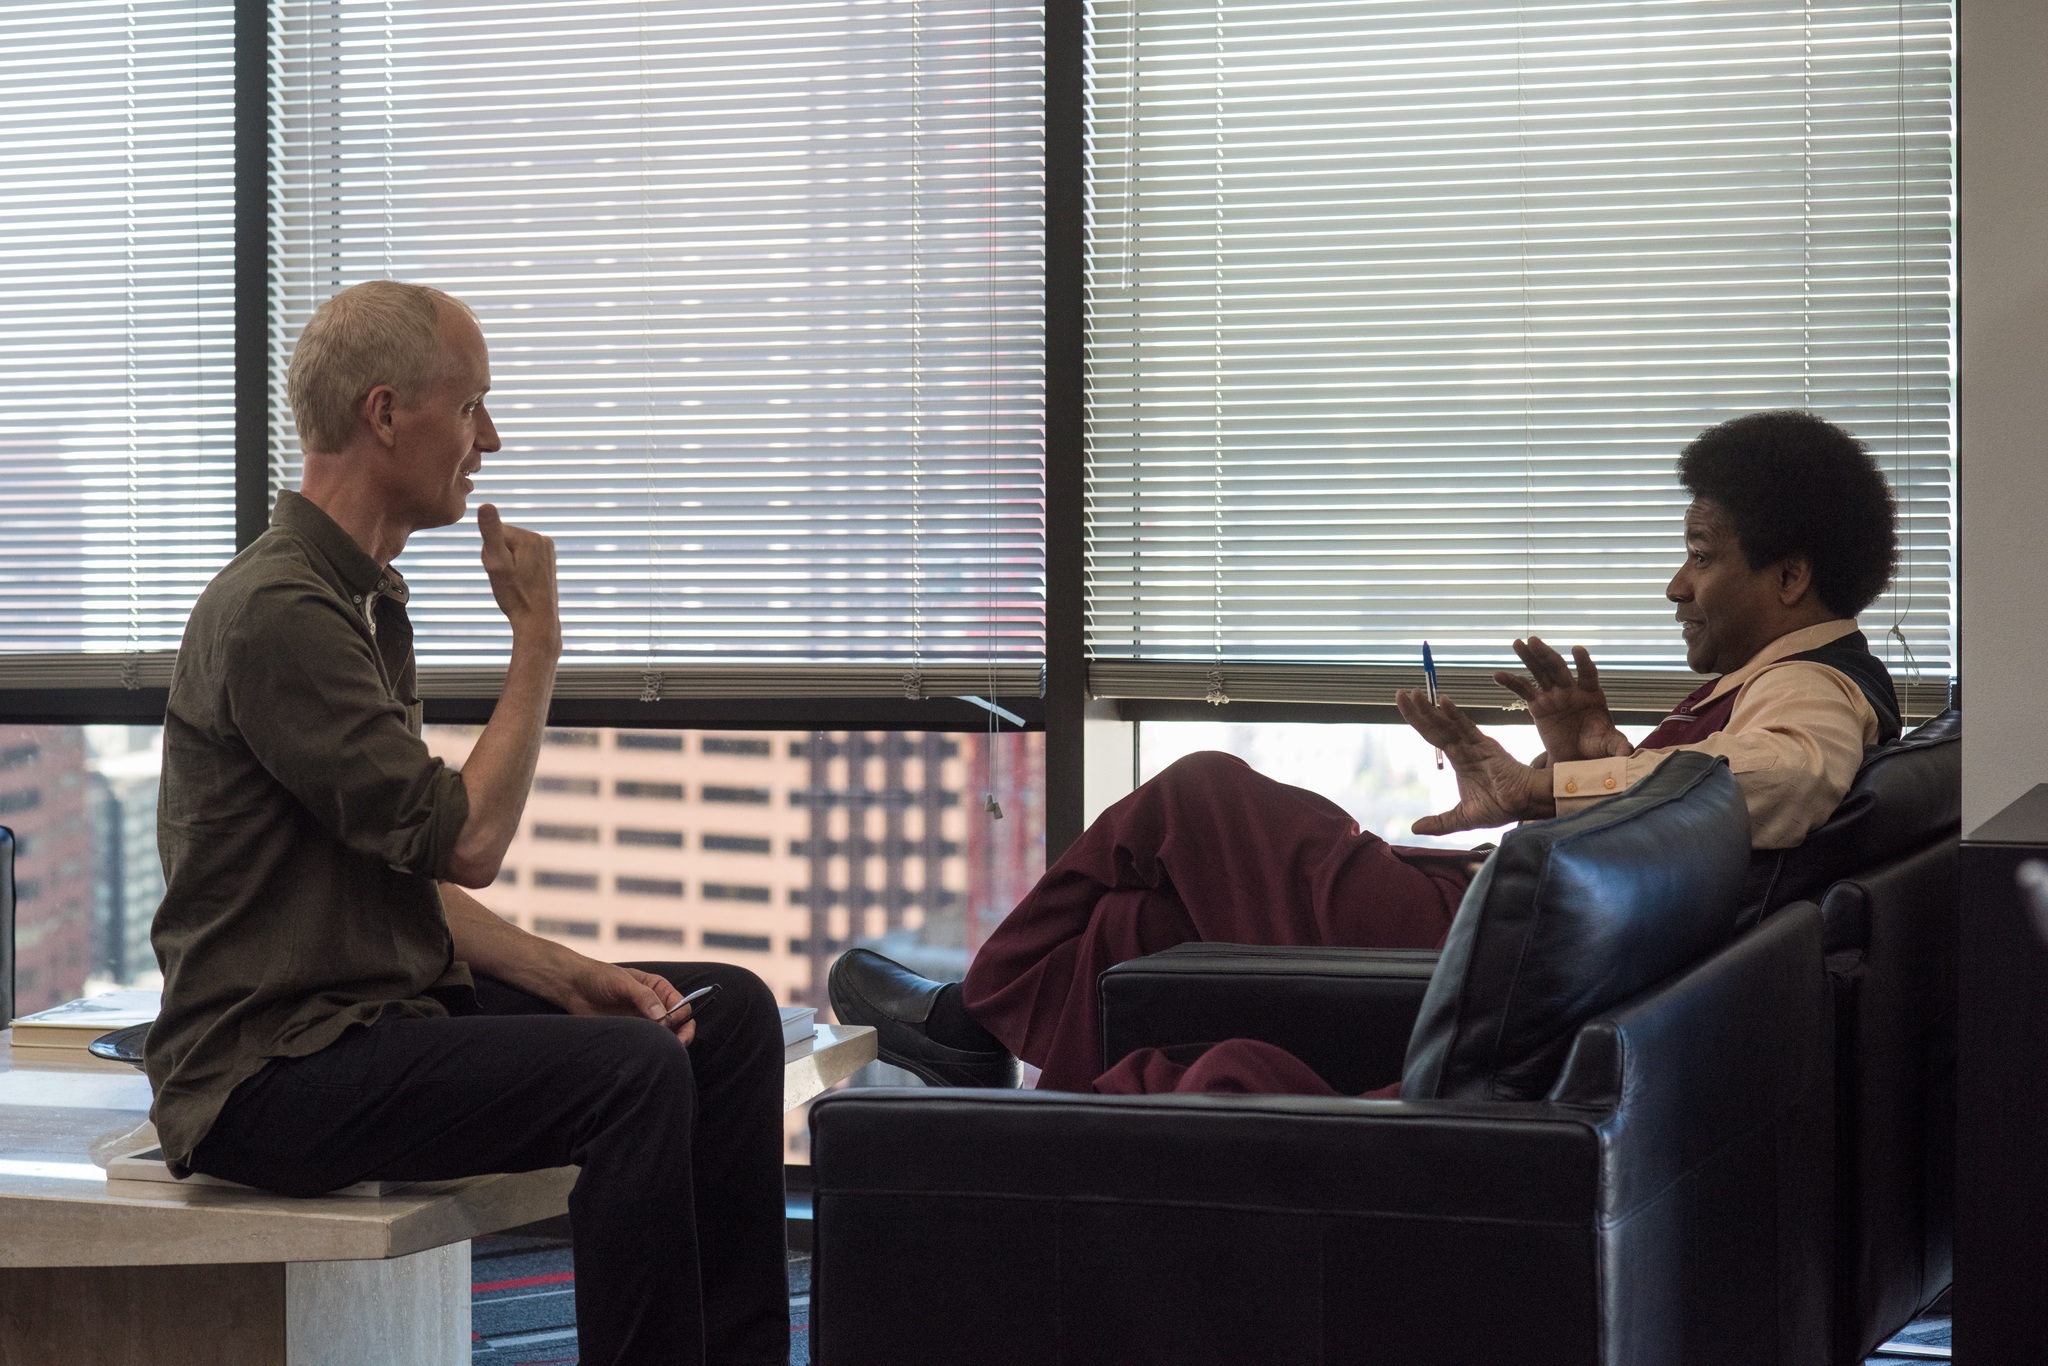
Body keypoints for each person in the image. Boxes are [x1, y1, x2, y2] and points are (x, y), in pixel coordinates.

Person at [831, 409, 1903, 1098]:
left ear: (1790, 577)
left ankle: (972, 1014)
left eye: (1699, 555)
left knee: (1202, 793)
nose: (1676, 584)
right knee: (1132, 928)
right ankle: (990, 1061)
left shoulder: (1813, 694)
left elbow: (1762, 789)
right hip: (1515, 924)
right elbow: (1681, 815)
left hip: (1487, 946)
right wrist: (1580, 761)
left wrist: (1551, 783)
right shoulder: (1778, 684)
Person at [145, 281, 789, 1366]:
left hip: (372, 1013)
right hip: (268, 1072)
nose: (490, 438)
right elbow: (468, 843)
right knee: (631, 1073)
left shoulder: (355, 597)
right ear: (386, 414)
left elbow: (403, 875)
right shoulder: (279, 612)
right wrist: (536, 640)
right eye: (473, 406)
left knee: (725, 1016)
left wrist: (565, 972)